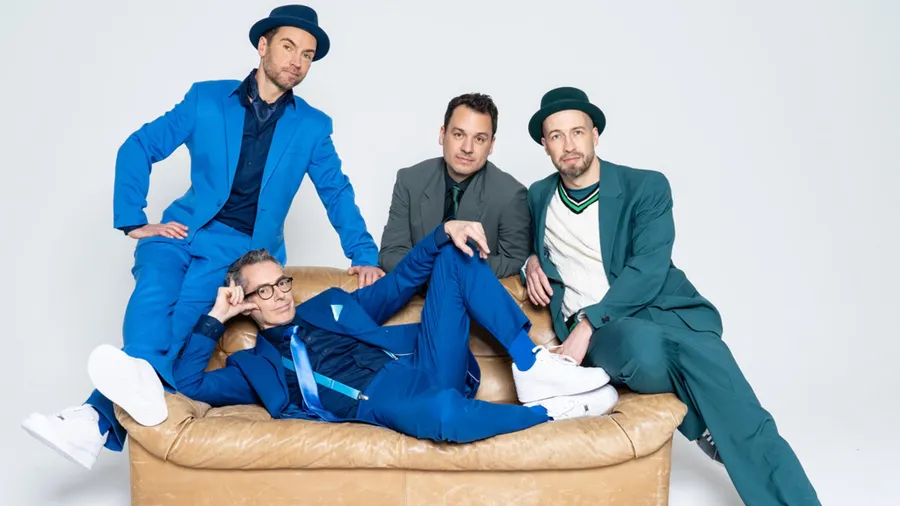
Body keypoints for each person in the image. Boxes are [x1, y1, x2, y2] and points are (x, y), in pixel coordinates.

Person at [21, 5, 383, 470]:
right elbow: (140, 145)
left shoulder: (312, 127)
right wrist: (134, 220)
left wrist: (363, 253)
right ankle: (95, 421)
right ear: (263, 46)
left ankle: (92, 421)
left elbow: (336, 191)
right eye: (289, 46)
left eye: (308, 55)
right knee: (152, 293)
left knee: (181, 324)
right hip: (181, 230)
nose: (297, 61)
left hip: (239, 249)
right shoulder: (206, 99)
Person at [522, 86, 820, 506]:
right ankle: (704, 424)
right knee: (642, 349)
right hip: (615, 335)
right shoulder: (538, 196)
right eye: (556, 135)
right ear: (545, 144)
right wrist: (531, 260)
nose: (568, 145)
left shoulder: (645, 186)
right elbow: (510, 241)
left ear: (595, 135)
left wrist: (587, 324)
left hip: (663, 313)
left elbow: (648, 268)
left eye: (577, 132)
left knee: (744, 414)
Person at [91, 220, 619, 443]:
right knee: (441, 415)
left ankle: (529, 365)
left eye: (281, 283)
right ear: (245, 303)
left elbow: (403, 282)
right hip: (378, 402)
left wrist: (444, 230)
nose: (280, 295)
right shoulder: (252, 366)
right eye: (264, 291)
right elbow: (189, 382)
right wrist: (216, 316)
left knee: (455, 256)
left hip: (422, 365)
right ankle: (553, 413)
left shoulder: (330, 305)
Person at [379, 93, 531, 278]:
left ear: (491, 145)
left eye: (479, 139)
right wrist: (435, 272)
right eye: (459, 134)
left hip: (470, 294)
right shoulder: (409, 180)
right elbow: (390, 254)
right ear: (442, 135)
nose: (467, 148)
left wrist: (451, 270)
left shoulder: (511, 194)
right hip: (416, 292)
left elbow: (514, 261)